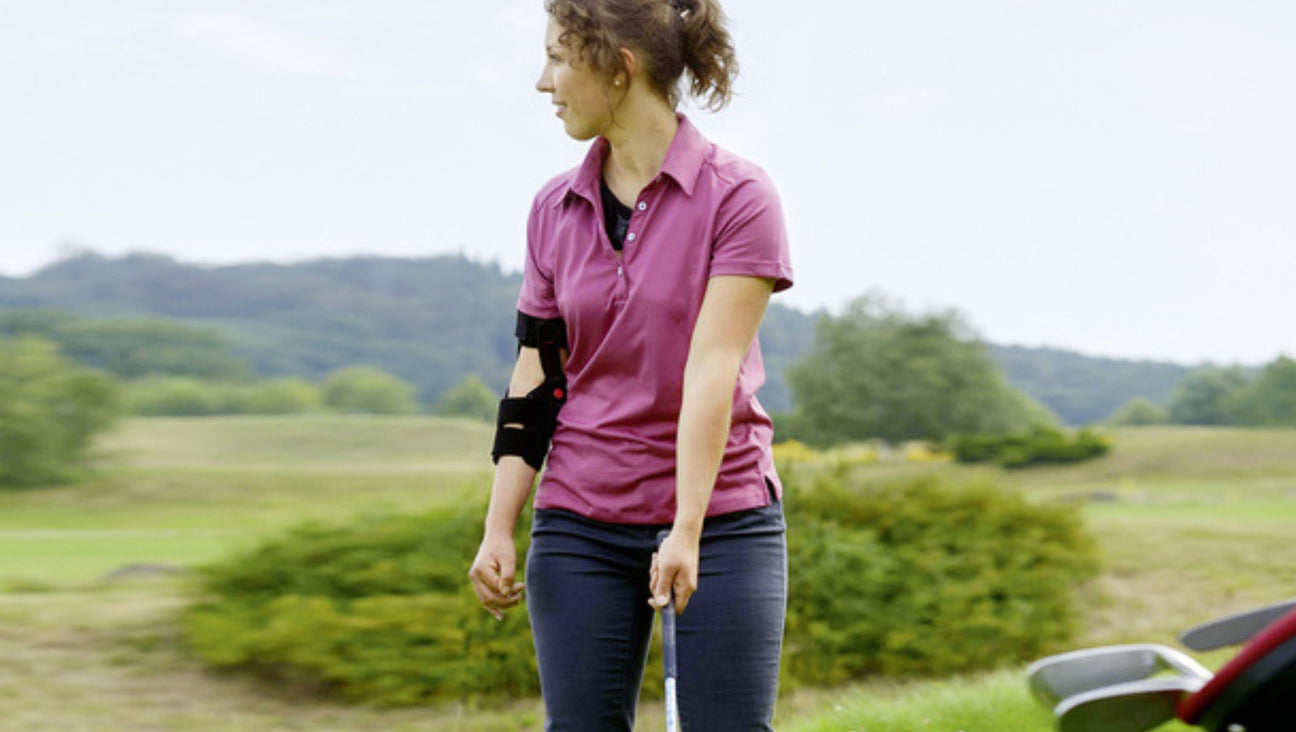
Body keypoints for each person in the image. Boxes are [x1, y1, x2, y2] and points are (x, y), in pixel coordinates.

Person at [468, 0, 793, 728]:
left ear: (619, 67)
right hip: (581, 519)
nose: (543, 83)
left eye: (558, 57)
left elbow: (711, 370)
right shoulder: (553, 209)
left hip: (723, 518)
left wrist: (686, 526)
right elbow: (537, 378)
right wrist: (499, 527)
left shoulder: (739, 197)